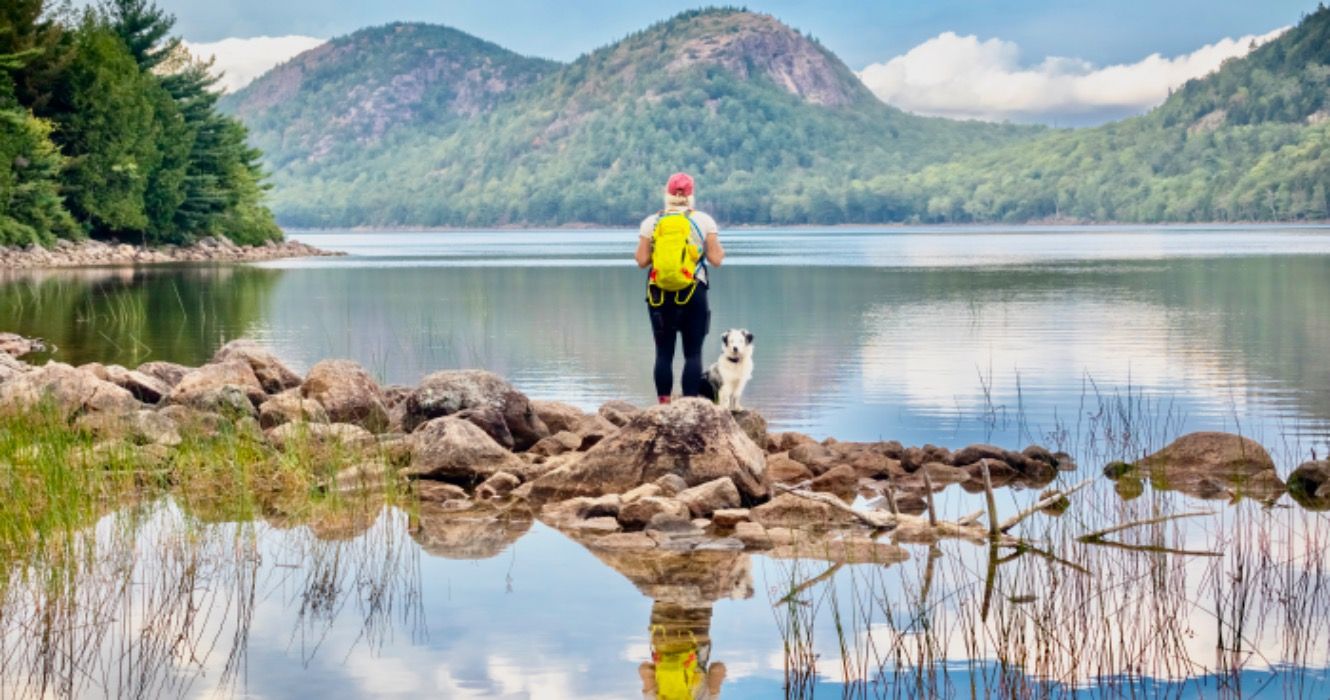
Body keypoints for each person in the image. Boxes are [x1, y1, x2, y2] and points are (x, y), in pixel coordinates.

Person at [636, 172, 725, 404]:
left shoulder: (652, 222)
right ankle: (689, 405)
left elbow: (642, 260)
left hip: (659, 293)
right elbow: (716, 259)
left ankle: (664, 406)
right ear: (691, 195)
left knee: (663, 354)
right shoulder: (704, 220)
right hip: (694, 291)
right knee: (693, 354)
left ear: (667, 193)